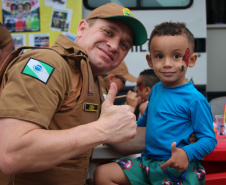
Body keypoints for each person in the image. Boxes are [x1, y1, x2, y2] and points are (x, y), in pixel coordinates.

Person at [0, 3, 147, 185]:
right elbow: (12, 154)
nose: (115, 46)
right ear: (82, 28)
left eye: (124, 45)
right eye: (108, 32)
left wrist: (178, 133)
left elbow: (115, 138)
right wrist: (102, 129)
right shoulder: (47, 63)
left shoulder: (93, 80)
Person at [94, 22, 217, 185]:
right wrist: (123, 124)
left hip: (177, 169)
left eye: (176, 56)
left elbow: (209, 139)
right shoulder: (156, 90)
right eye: (159, 56)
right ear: (150, 60)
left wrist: (186, 153)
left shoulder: (195, 100)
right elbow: (145, 121)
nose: (167, 63)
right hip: (148, 163)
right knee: (102, 174)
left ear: (191, 60)